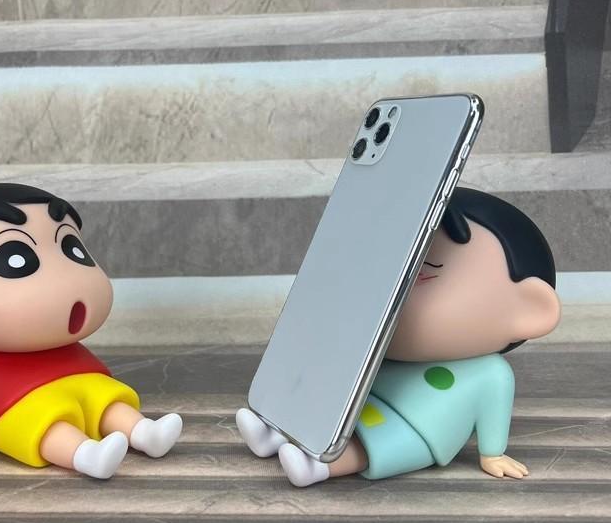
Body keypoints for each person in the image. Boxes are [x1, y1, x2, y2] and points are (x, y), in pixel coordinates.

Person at [237, 188, 561, 486]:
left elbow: (493, 411)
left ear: (529, 311)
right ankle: (275, 433)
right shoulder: (382, 351)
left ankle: (317, 468)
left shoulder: (490, 373)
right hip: (364, 400)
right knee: (325, 406)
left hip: (420, 427)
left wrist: (492, 453)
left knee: (375, 443)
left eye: (424, 273)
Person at [0, 183, 183, 480]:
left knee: (107, 402)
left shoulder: (61, 343)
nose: (64, 276)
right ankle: (86, 455)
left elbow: (89, 370)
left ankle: (145, 433)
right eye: (14, 260)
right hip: (10, 405)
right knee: (45, 425)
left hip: (78, 380)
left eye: (72, 248)